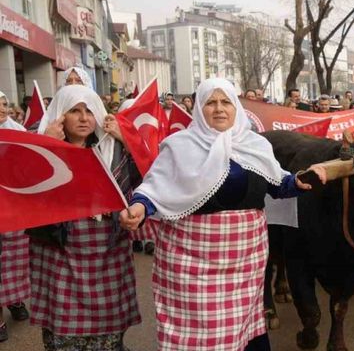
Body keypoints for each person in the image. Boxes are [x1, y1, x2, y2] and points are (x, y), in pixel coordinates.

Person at [119, 78, 326, 351]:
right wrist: (139, 207)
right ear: (198, 109)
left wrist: (300, 180)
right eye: (211, 103)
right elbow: (156, 188)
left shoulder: (256, 145)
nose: (219, 109)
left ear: (236, 108)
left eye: (226, 102)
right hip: (190, 262)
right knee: (198, 334)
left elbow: (279, 184)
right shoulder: (179, 146)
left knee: (242, 326)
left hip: (244, 261)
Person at [33, 85, 142, 349]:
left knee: (108, 331)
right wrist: (47, 145)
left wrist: (127, 141)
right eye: (74, 111)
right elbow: (28, 188)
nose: (84, 118)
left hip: (108, 250)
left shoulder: (111, 148)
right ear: (60, 115)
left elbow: (145, 176)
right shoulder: (41, 148)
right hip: (61, 253)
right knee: (64, 332)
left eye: (89, 111)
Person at [0, 91, 28, 343]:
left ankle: (15, 300)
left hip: (13, 207)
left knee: (14, 261)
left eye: (4, 104)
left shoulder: (18, 131)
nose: (1, 108)